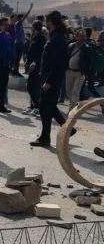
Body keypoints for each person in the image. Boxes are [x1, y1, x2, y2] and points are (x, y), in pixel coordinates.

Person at [31, 11, 75, 147]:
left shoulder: (57, 38)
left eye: (47, 21)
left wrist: (49, 81)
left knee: (45, 107)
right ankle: (67, 128)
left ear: (51, 22)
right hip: (50, 77)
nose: (45, 24)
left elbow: (57, 62)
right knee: (48, 106)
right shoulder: (55, 36)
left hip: (52, 79)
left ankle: (45, 137)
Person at [23, 20, 46, 116]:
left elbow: (40, 54)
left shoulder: (41, 39)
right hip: (31, 65)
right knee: (30, 86)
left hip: (36, 67)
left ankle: (37, 107)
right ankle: (33, 106)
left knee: (32, 87)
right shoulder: (34, 37)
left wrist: (35, 63)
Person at [65, 28, 91, 110]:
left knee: (76, 91)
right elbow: (66, 57)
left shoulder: (87, 48)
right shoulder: (70, 45)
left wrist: (86, 72)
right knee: (68, 91)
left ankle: (73, 108)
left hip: (80, 73)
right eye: (81, 36)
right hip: (69, 71)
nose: (83, 38)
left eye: (84, 36)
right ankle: (72, 104)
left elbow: (89, 61)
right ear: (76, 36)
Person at [11, 3, 33, 77]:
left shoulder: (18, 25)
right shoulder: (18, 23)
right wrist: (30, 9)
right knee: (17, 58)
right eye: (22, 18)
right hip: (18, 44)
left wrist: (25, 38)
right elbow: (25, 16)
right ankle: (15, 71)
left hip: (20, 43)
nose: (23, 19)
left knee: (17, 58)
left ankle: (15, 71)